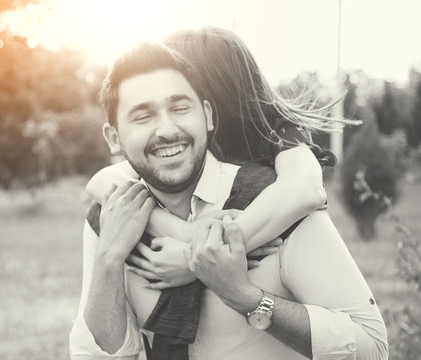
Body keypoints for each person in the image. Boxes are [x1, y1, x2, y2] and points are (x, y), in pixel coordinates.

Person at [69, 40, 387, 359]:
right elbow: (92, 354)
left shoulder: (277, 200)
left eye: (180, 106)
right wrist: (111, 258)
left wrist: (247, 298)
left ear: (208, 114)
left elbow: (372, 349)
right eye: (142, 116)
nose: (166, 129)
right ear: (113, 137)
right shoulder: (114, 217)